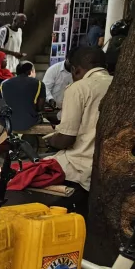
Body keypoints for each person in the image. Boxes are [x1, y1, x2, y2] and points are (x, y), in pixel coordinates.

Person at [45, 46, 112, 216]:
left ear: (76, 70)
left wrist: (50, 140)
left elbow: (66, 139)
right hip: (110, 162)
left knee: (24, 173)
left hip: (81, 165)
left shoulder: (79, 88)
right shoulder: (119, 84)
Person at [0, 62, 45, 132]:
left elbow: (1, 104)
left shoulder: (3, 84)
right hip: (29, 122)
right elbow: (40, 107)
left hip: (7, 122)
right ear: (30, 72)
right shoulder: (39, 84)